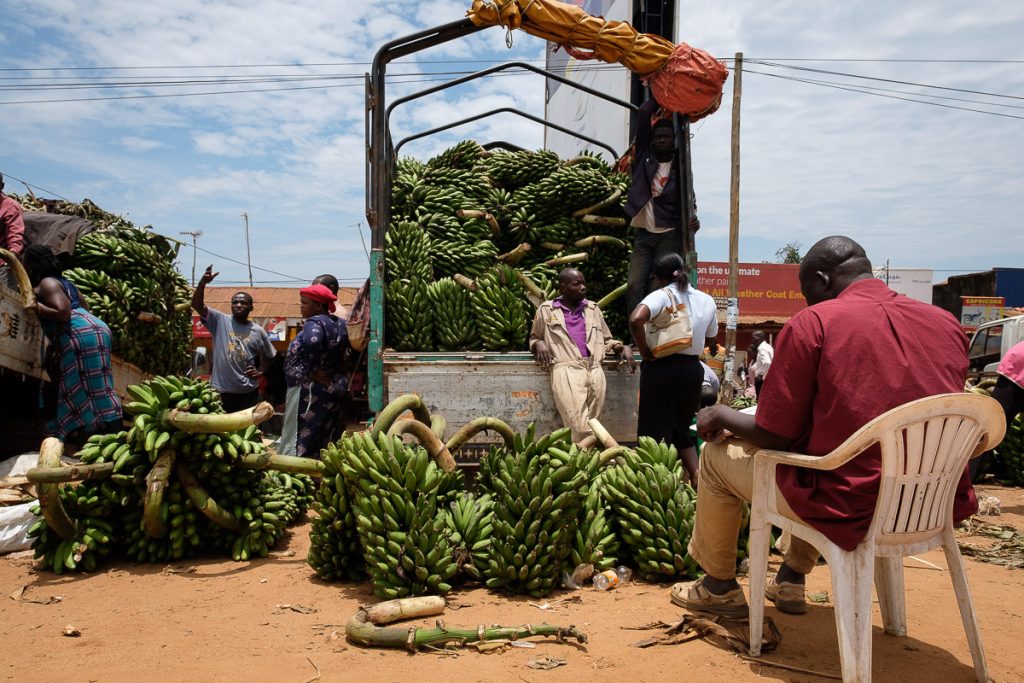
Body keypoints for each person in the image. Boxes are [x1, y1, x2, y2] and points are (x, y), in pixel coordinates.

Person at [673, 236, 975, 619]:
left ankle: (718, 587)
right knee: (823, 455)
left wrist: (719, 416)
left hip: (848, 503)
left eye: (807, 292)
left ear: (822, 279)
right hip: (929, 504)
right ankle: (791, 576)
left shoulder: (815, 323)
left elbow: (777, 434)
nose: (807, 302)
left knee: (718, 458)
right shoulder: (944, 322)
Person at [628, 253, 719, 485]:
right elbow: (711, 339)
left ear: (659, 278)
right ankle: (698, 478)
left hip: (661, 369)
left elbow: (636, 319)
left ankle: (656, 483)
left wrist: (646, 351)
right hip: (691, 370)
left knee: (653, 430)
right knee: (680, 426)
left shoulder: (661, 295)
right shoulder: (706, 299)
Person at [22, 244, 121, 441]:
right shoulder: (67, 284)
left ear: (32, 265)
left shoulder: (47, 283)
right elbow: (84, 305)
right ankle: (109, 431)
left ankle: (100, 432)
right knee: (97, 385)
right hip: (94, 328)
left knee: (83, 384)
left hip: (81, 332)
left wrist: (36, 306)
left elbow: (63, 311)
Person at [530, 268, 635, 442]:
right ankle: (584, 461)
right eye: (576, 284)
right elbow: (534, 337)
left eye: (584, 283)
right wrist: (538, 343)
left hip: (594, 369)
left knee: (595, 424)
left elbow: (606, 340)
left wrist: (621, 347)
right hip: (566, 370)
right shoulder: (547, 310)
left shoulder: (593, 309)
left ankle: (590, 465)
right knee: (577, 426)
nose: (583, 287)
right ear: (563, 287)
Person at [624, 97, 700, 318]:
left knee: (657, 286)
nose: (662, 140)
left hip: (668, 233)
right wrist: (663, 93)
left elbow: (689, 195)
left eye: (666, 137)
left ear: (673, 139)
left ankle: (652, 329)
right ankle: (635, 331)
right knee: (634, 284)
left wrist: (694, 217)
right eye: (658, 137)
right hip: (643, 232)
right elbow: (644, 112)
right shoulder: (643, 158)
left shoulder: (680, 165)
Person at [191, 265, 276, 412]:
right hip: (220, 392)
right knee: (221, 431)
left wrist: (261, 371)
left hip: (248, 392)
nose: (238, 305)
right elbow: (196, 305)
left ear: (251, 307)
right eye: (235, 302)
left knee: (245, 431)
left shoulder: (258, 331)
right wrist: (203, 283)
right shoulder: (219, 321)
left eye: (243, 303)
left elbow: (270, 355)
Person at [277, 273, 343, 455]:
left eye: (304, 303)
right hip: (326, 390)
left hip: (306, 390)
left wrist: (313, 370)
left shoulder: (314, 322)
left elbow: (313, 342)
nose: (300, 307)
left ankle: (296, 473)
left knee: (299, 435)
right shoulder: (339, 323)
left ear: (319, 305)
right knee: (319, 435)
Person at [971, 341, 1024, 480]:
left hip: (1018, 363)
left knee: (990, 427)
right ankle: (962, 484)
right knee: (991, 428)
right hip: (1019, 368)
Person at [747, 330, 773, 398]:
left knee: (760, 399)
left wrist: (761, 375)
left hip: (761, 380)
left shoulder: (762, 348)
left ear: (759, 338)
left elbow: (767, 362)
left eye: (753, 338)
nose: (752, 340)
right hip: (768, 379)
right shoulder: (768, 347)